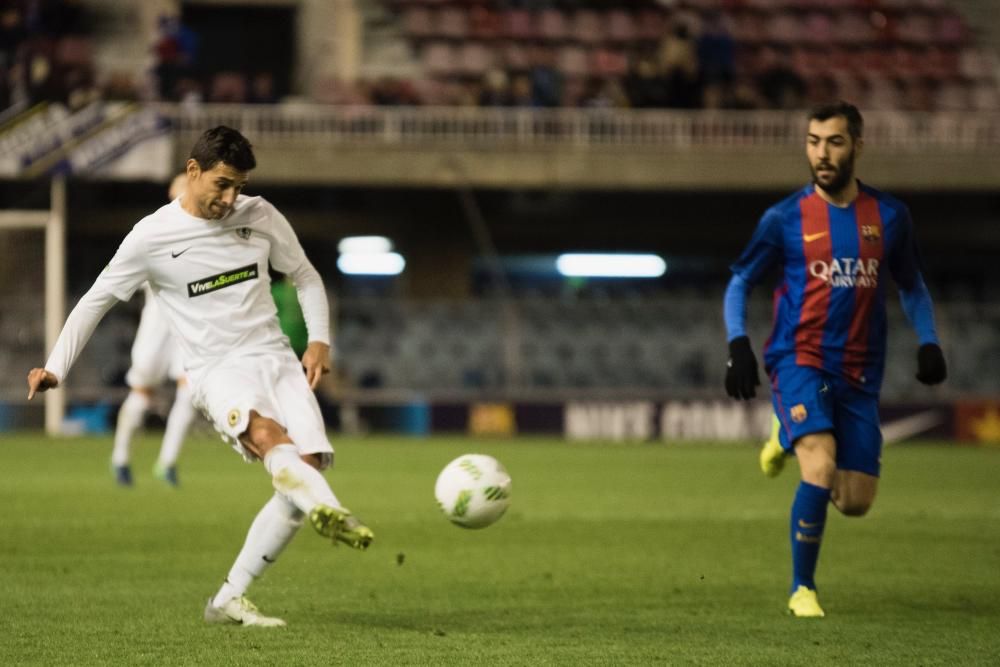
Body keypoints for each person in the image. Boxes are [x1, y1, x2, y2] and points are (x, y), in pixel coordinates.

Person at [27, 126, 373, 627]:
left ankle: (230, 597)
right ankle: (337, 514)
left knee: (308, 467)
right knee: (268, 439)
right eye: (223, 184)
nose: (232, 198)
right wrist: (55, 365)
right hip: (216, 369)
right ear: (194, 171)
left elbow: (305, 276)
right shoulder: (152, 236)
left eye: (240, 186)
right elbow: (95, 300)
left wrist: (319, 338)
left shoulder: (260, 216)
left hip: (275, 358)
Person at [722, 101, 947, 618]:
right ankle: (803, 589)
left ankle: (783, 434)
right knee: (819, 466)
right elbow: (740, 281)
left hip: (861, 371)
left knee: (854, 501)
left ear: (857, 146)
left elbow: (911, 283)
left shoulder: (890, 217)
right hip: (799, 358)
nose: (821, 154)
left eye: (834, 142)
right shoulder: (784, 218)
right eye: (813, 141)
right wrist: (739, 344)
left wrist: (929, 341)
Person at [111, 173, 197, 487]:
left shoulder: (206, 232)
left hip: (187, 327)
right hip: (157, 325)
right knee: (142, 394)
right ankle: (120, 458)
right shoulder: (155, 230)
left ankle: (167, 462)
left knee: (189, 392)